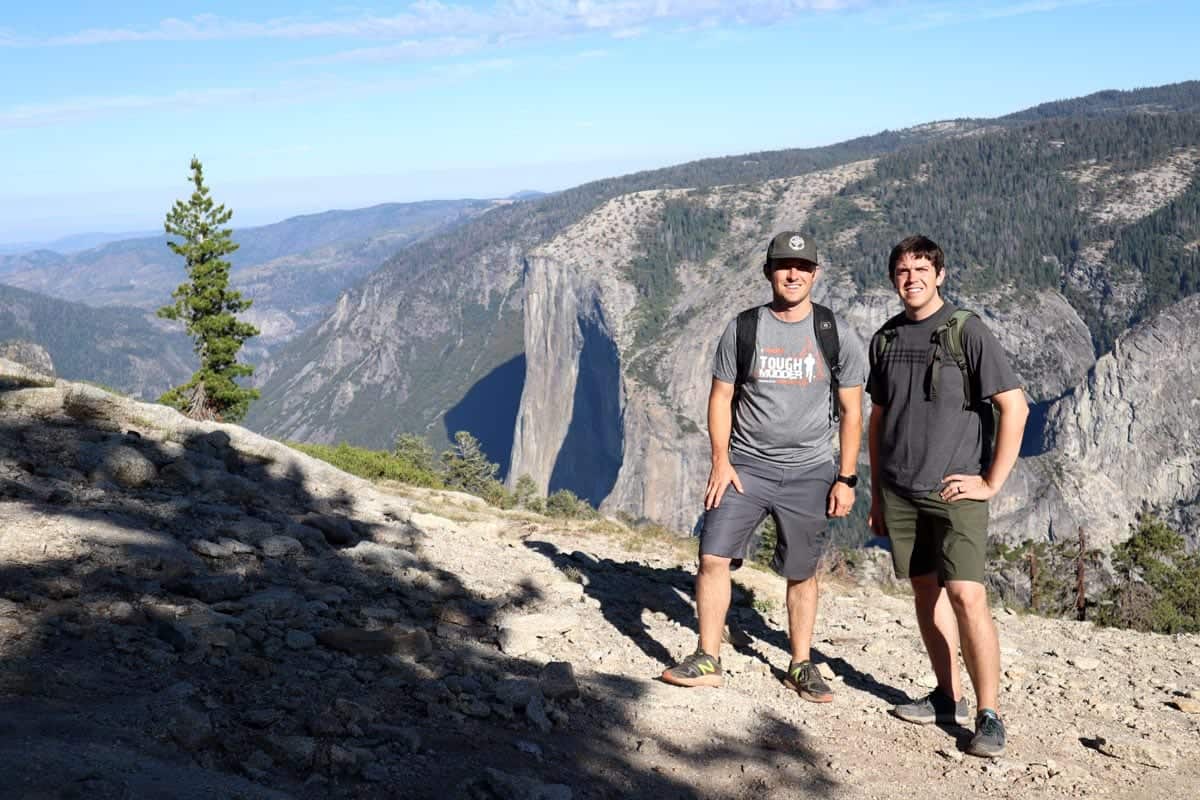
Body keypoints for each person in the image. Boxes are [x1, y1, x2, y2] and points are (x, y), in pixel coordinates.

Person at [662, 231, 867, 702]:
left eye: (802, 266)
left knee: (802, 571)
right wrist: (720, 460)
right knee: (713, 557)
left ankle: (800, 664)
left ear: (815, 274)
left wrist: (846, 477)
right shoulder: (744, 328)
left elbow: (854, 412)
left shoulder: (835, 334)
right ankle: (707, 657)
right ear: (769, 272)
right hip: (746, 466)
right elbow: (721, 397)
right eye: (783, 265)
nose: (792, 274)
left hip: (811, 469)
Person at [866, 235, 1028, 758]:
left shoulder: (967, 331)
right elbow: (880, 418)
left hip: (955, 490)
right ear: (894, 279)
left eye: (920, 269)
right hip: (901, 490)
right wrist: (875, 493)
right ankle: (944, 697)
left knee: (966, 595)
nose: (911, 278)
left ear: (940, 275)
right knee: (925, 593)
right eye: (902, 271)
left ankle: (989, 713)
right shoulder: (886, 338)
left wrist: (991, 482)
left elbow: (1015, 407)